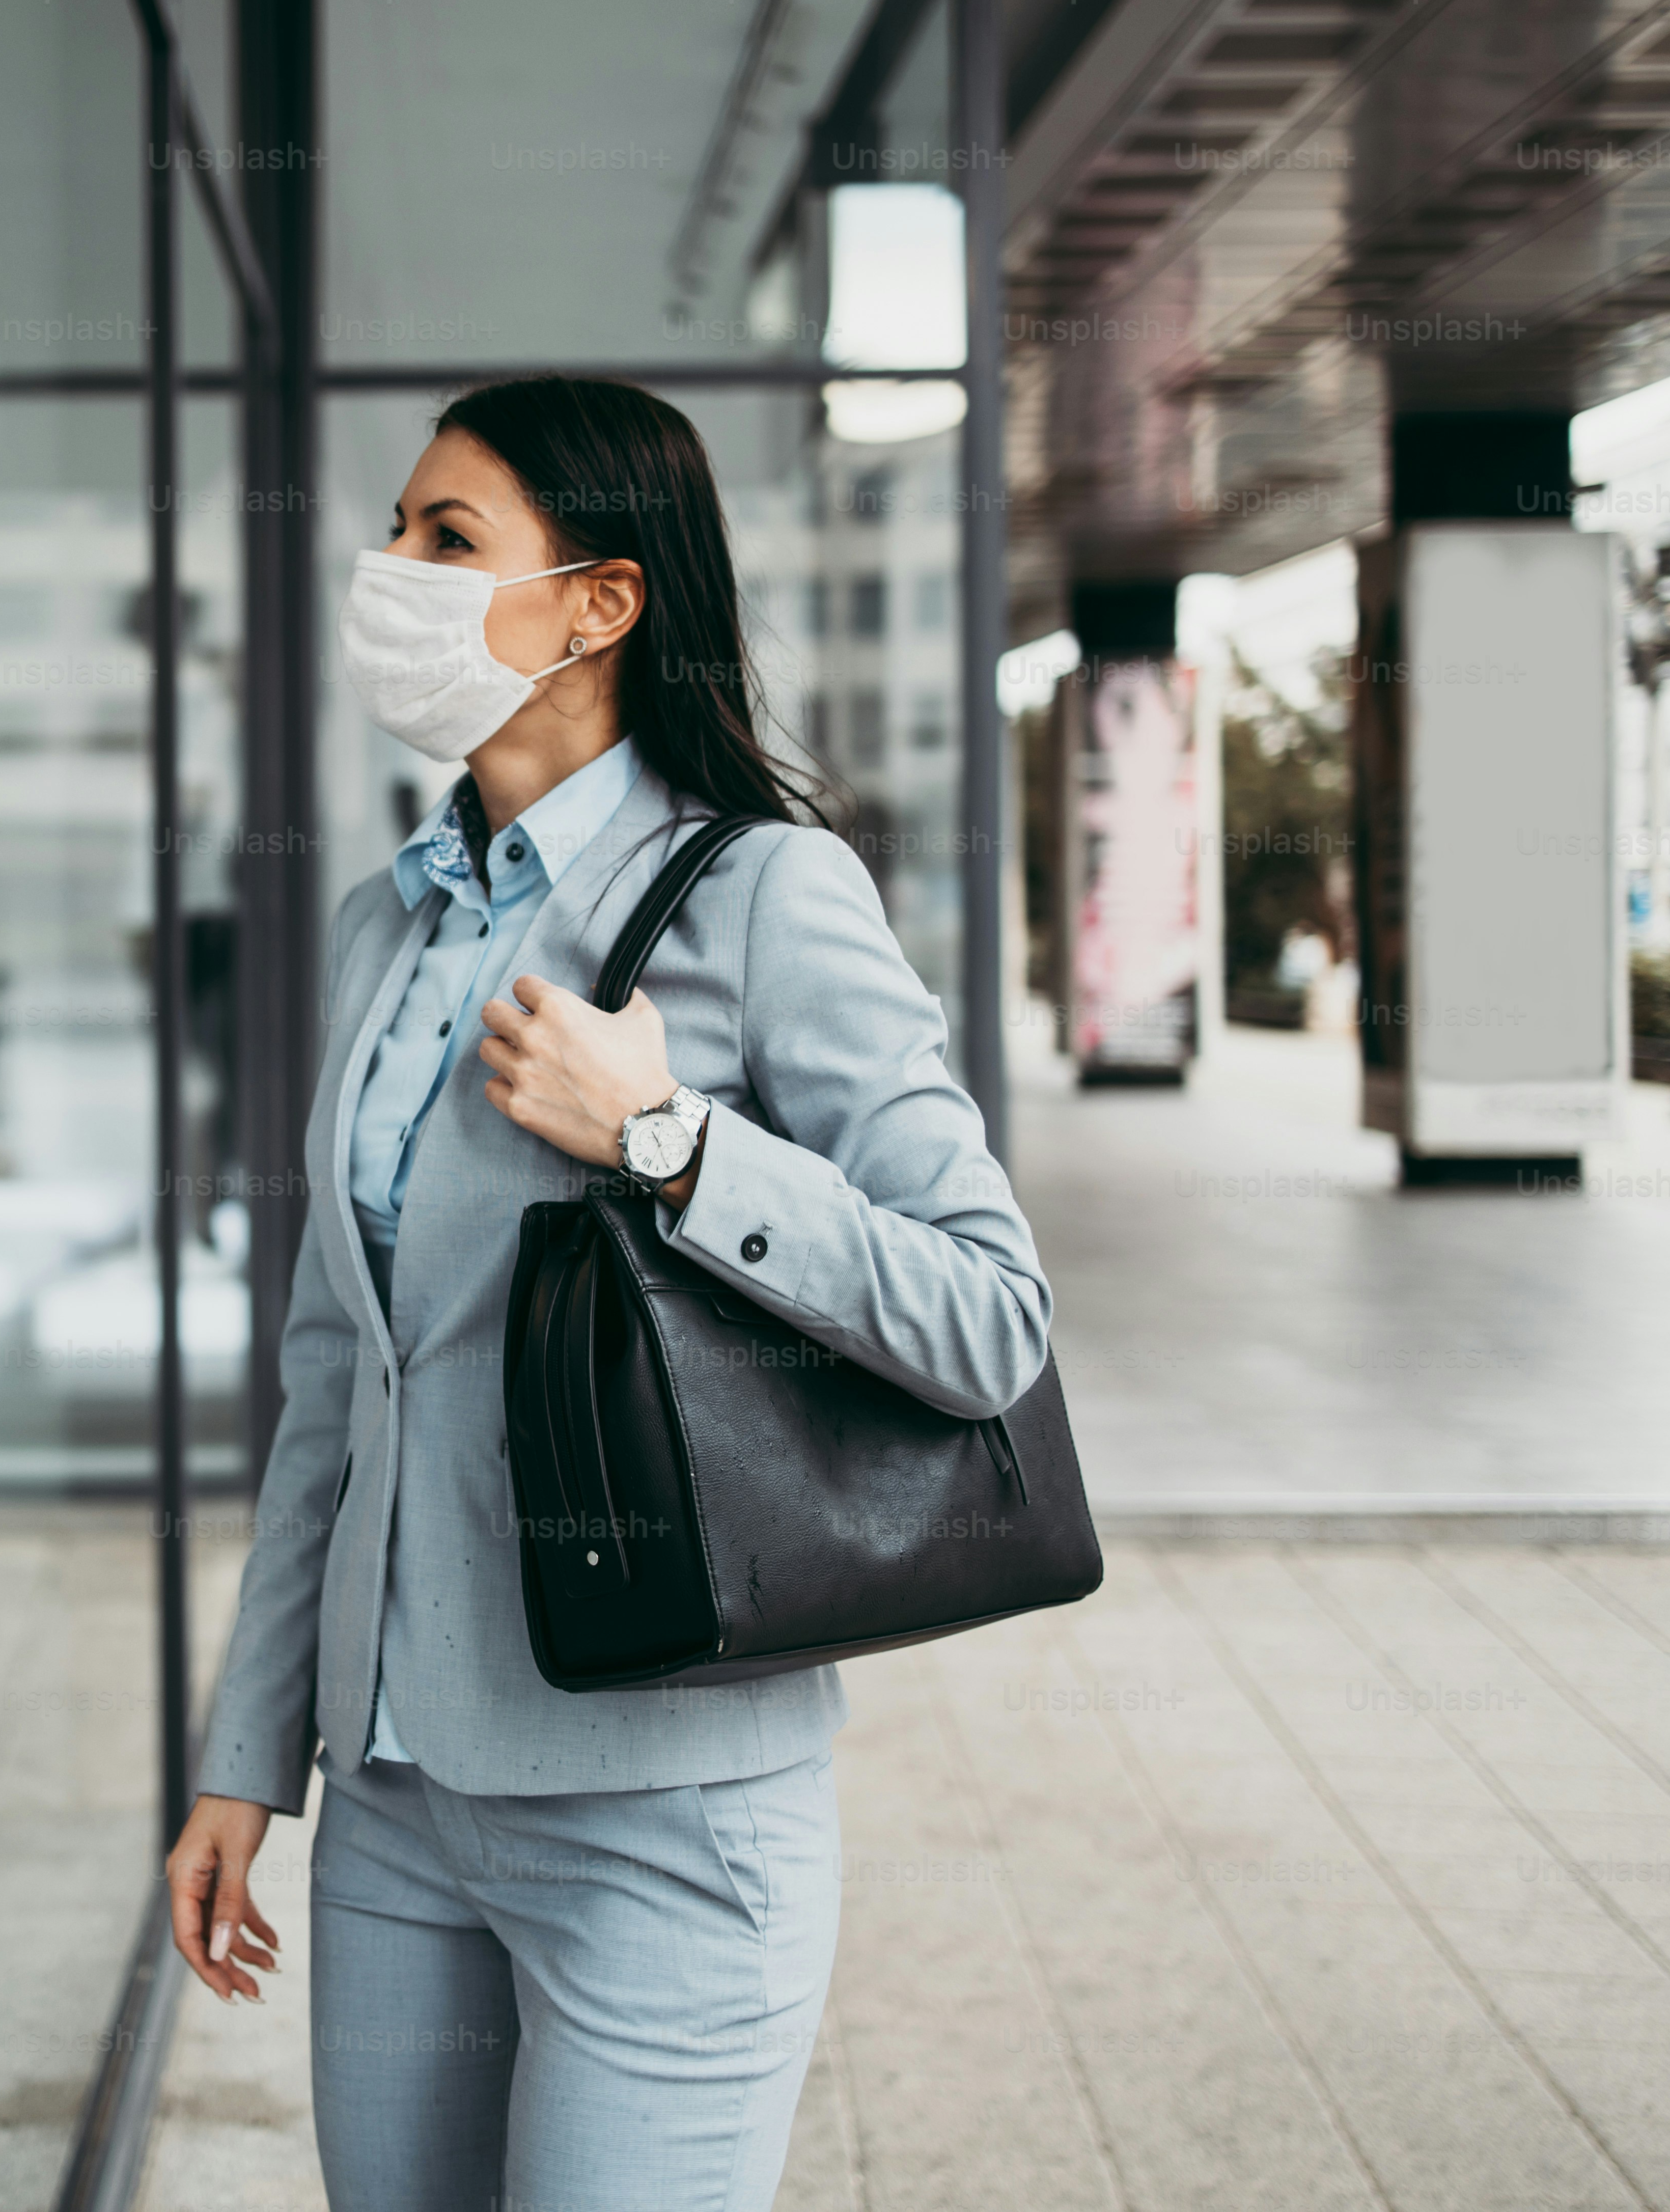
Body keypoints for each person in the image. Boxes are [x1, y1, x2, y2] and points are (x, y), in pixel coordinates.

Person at [162, 376, 1051, 2209]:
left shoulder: (768, 896)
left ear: (601, 602)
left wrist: (670, 1141)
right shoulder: (385, 925)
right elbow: (339, 1376)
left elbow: (989, 1317)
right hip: (397, 1805)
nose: (387, 570)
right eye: (396, 528)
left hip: (666, 1816)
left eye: (445, 538)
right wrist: (250, 1752)